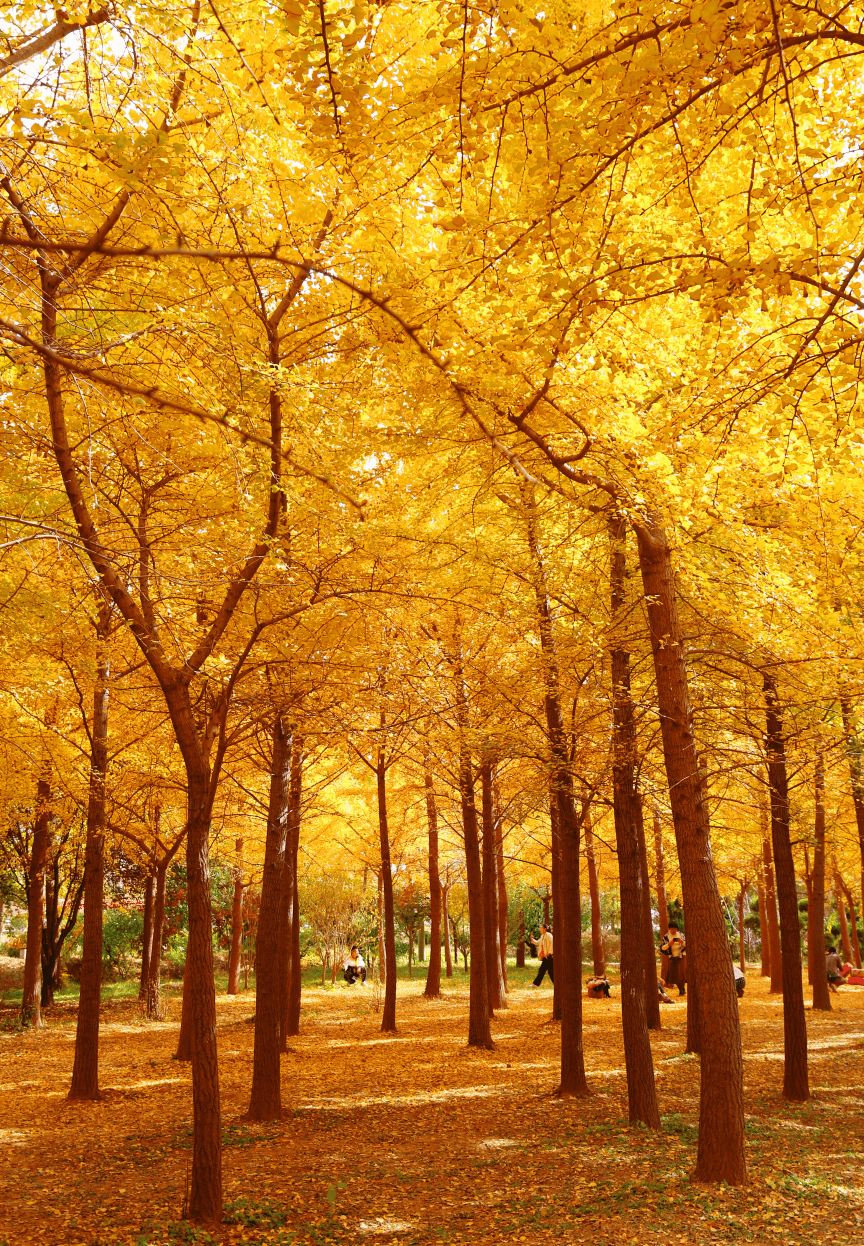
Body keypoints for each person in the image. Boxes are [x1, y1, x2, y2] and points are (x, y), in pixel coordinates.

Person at [660, 922, 686, 995]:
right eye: (672, 929)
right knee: (675, 975)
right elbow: (662, 948)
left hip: (681, 956)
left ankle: (682, 989)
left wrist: (681, 941)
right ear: (669, 929)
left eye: (675, 929)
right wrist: (669, 944)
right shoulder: (666, 936)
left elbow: (687, 944)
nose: (673, 930)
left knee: (681, 973)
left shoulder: (681, 935)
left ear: (677, 929)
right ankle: (681, 990)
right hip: (672, 957)